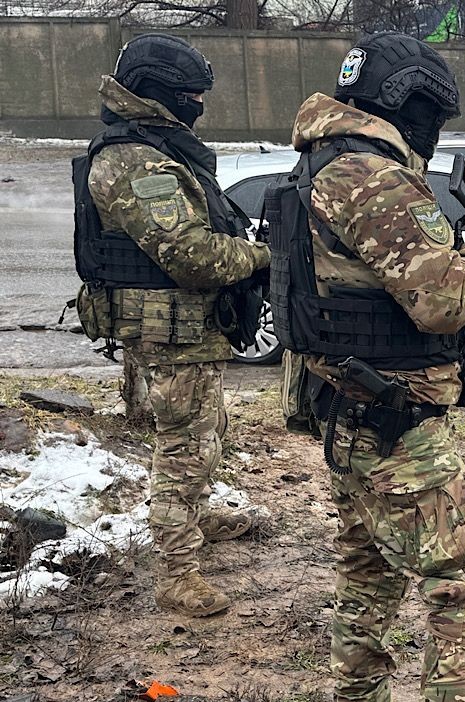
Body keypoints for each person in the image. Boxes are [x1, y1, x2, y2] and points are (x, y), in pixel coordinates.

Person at [274, 32, 465, 702]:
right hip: (394, 429)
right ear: (410, 105)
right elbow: (442, 299)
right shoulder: (370, 176)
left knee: (368, 567)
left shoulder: (321, 164)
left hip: (351, 416)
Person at [72, 34, 270, 617]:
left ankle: (194, 517)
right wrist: (264, 256)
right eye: (191, 95)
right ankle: (176, 571)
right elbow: (192, 257)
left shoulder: (153, 147)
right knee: (184, 447)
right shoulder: (137, 161)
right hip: (171, 329)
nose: (199, 106)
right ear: (158, 93)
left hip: (186, 328)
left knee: (206, 431)